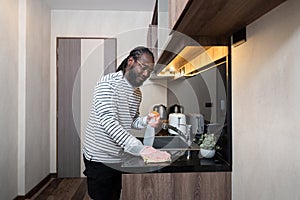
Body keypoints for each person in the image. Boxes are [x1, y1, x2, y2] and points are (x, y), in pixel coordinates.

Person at [82, 46, 168, 200]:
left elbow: (132, 120)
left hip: (118, 157)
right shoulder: (107, 84)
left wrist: (145, 120)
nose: (146, 73)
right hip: (100, 158)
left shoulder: (136, 93)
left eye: (150, 70)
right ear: (130, 61)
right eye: (143, 67)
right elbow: (109, 122)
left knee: (115, 195)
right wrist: (141, 150)